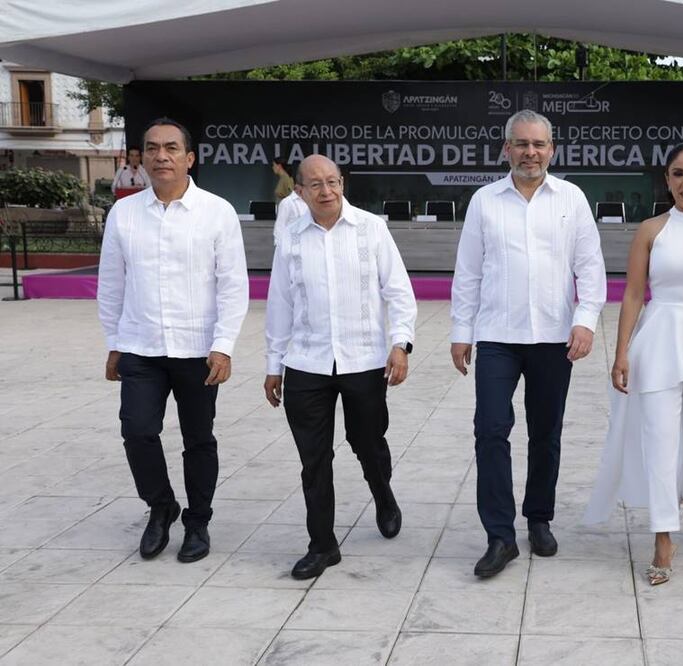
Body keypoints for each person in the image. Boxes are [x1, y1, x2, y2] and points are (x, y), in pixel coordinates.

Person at [450, 110, 606, 578]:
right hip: (497, 336)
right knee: (490, 431)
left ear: (552, 150)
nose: (530, 153)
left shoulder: (572, 199)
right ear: (506, 149)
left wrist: (585, 321)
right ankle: (500, 535)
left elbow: (591, 268)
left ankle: (538, 518)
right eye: (521, 144)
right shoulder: (484, 201)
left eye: (538, 145)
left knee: (546, 434)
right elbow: (468, 272)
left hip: (554, 338)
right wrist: (462, 332)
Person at [583, 142, 683, 585]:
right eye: (678, 174)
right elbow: (634, 294)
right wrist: (620, 352)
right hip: (657, 344)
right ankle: (662, 537)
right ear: (667, 180)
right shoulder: (651, 230)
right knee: (658, 443)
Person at [98, 118, 249, 563]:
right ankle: (161, 506)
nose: (160, 155)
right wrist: (114, 342)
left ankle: (197, 521)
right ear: (141, 157)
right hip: (141, 347)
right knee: (137, 430)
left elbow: (232, 285)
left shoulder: (217, 211)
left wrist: (223, 345)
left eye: (170, 148)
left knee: (198, 437)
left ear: (189, 158)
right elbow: (112, 285)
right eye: (151, 148)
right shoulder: (124, 213)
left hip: (197, 350)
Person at [264, 155, 416, 580]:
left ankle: (382, 495)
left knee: (367, 442)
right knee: (314, 458)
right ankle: (322, 545)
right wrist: (274, 365)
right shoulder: (291, 239)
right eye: (315, 185)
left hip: (364, 360)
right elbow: (280, 306)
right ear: (299, 192)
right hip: (307, 362)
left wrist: (399, 344)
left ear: (343, 183)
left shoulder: (371, 229)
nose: (326, 191)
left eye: (333, 182)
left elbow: (399, 292)